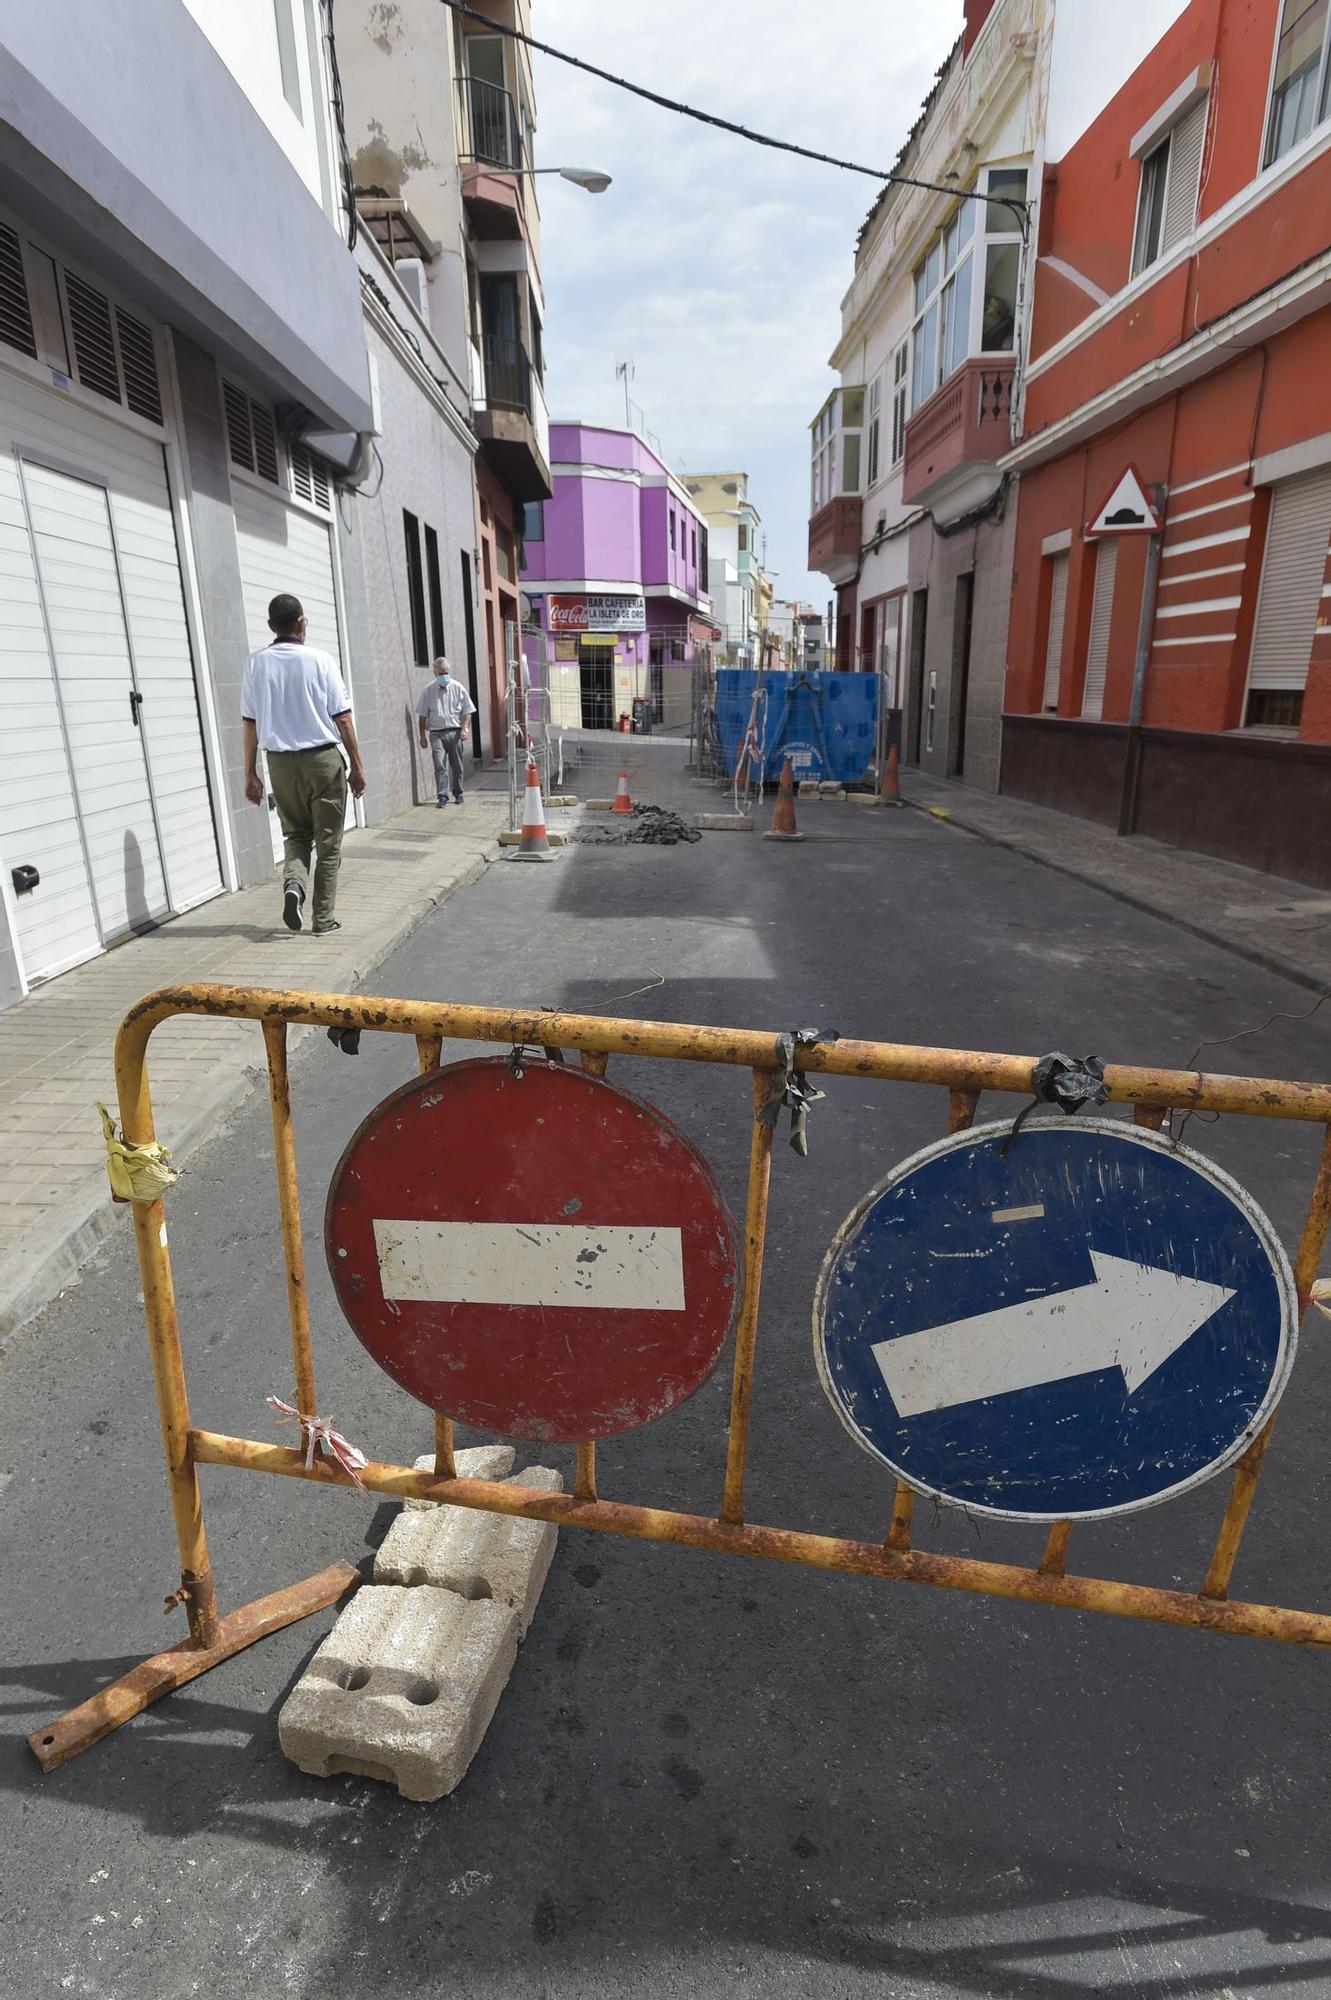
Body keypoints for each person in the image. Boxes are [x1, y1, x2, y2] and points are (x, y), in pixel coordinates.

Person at [242, 592, 367, 935]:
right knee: (328, 844)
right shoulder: (320, 660)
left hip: (280, 765)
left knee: (295, 835)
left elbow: (250, 724)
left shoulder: (255, 664)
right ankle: (323, 919)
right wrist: (357, 766)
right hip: (322, 762)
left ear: (271, 626)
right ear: (302, 623)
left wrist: (250, 773)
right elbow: (343, 719)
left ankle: (294, 886)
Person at [416, 655, 477, 806]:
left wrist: (465, 729)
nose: (443, 676)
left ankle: (458, 793)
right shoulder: (428, 691)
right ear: (435, 673)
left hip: (455, 732)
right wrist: (422, 736)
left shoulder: (457, 688)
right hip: (436, 733)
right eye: (440, 674)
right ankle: (442, 796)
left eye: (445, 673)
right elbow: (422, 716)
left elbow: (468, 711)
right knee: (439, 764)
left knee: (456, 765)